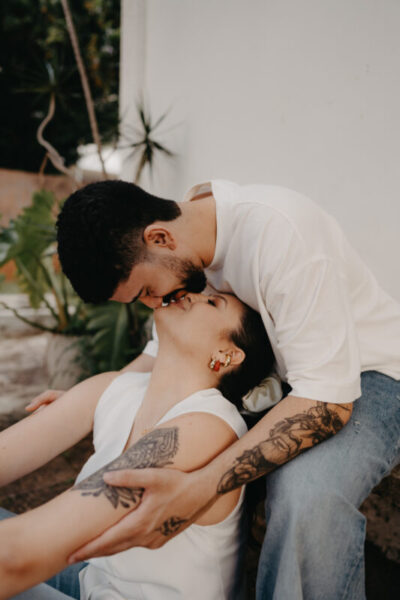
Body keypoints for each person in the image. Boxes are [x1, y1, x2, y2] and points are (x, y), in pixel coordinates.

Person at [36, 179, 400, 600]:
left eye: (147, 291)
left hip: (369, 376)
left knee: (307, 496)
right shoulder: (186, 245)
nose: (153, 304)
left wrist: (206, 485)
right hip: (289, 381)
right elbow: (160, 354)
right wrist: (90, 399)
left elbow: (327, 402)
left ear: (160, 238)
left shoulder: (282, 235)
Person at [0, 291, 276, 599]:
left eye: (212, 303)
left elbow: (17, 556)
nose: (191, 295)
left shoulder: (209, 428)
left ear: (227, 354)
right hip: (90, 585)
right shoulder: (116, 388)